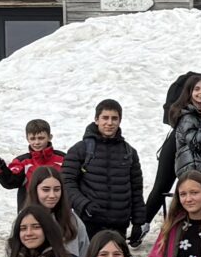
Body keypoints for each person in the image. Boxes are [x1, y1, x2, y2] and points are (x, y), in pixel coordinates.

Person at [142, 73, 201, 235]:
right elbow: (197, 143)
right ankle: (143, 224)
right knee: (163, 186)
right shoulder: (185, 114)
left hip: (199, 164)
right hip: (184, 158)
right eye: (197, 89)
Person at [62, 100, 146, 242]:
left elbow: (136, 189)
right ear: (96, 120)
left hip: (119, 225)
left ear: (120, 121)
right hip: (88, 223)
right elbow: (66, 182)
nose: (109, 123)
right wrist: (84, 205)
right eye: (105, 118)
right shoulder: (80, 149)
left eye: (114, 118)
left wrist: (138, 222)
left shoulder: (129, 152)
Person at [0, 119, 67, 193]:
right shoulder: (22, 162)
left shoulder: (64, 159)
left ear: (50, 137)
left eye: (41, 138)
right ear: (27, 139)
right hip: (30, 209)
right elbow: (10, 183)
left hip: (60, 208)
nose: (36, 142)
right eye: (32, 138)